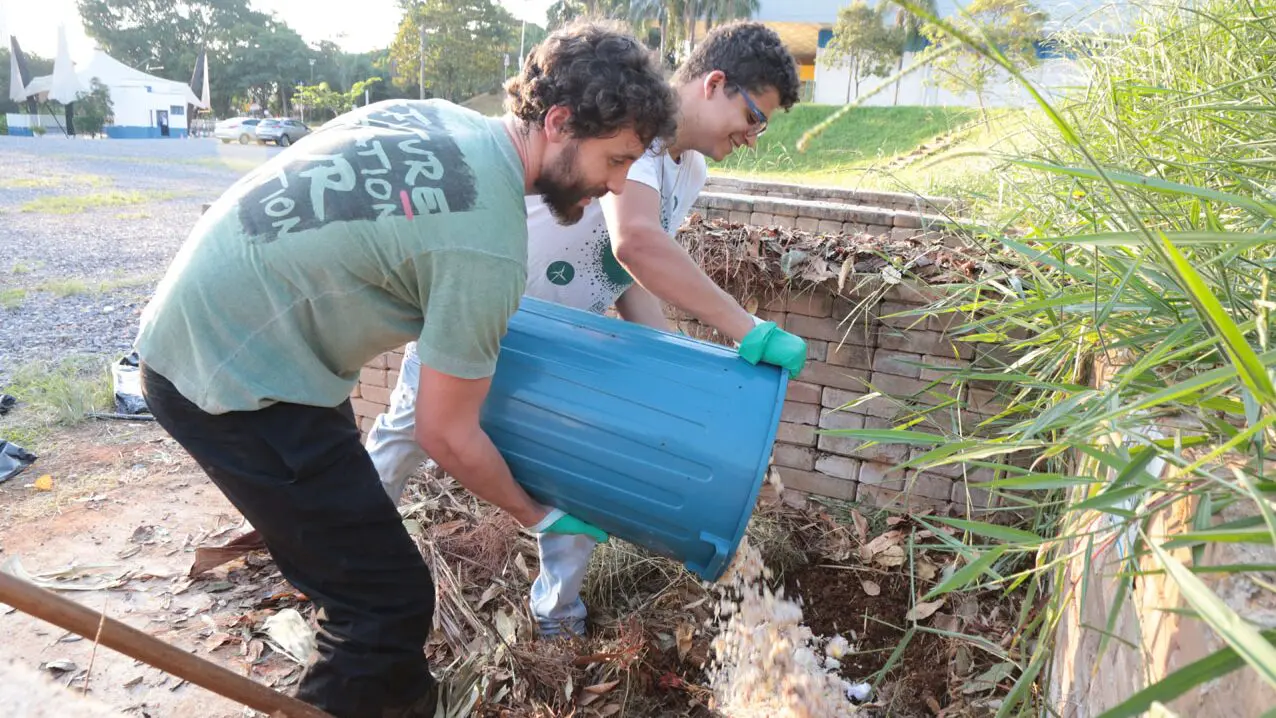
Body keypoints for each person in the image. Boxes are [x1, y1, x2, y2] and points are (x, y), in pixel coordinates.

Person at [133, 21, 677, 718]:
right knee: (383, 603)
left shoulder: (447, 124)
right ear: (561, 121)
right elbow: (446, 434)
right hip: (230, 376)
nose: (616, 184)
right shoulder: (488, 245)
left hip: (249, 339)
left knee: (359, 569)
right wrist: (540, 514)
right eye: (617, 158)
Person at [365, 20, 806, 638]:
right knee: (406, 435)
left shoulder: (691, 172)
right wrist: (746, 328)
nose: (755, 136)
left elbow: (620, 271)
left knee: (578, 482)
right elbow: (637, 244)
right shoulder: (635, 136)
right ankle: (340, 553)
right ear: (715, 83)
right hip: (484, 315)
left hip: (563, 347)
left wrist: (656, 363)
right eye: (756, 116)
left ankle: (557, 619)